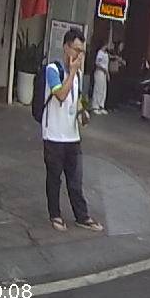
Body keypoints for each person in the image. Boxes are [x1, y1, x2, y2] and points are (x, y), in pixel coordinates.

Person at [42, 28, 104, 233]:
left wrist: (82, 113)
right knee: (54, 178)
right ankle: (55, 214)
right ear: (66, 47)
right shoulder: (53, 69)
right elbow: (60, 94)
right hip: (53, 135)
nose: (79, 55)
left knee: (75, 179)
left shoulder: (77, 75)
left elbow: (74, 100)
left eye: (82, 51)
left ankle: (82, 216)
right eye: (76, 49)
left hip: (72, 136)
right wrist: (71, 72)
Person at [90, 40, 111, 116]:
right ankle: (95, 106)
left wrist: (107, 73)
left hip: (105, 73)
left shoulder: (106, 53)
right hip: (100, 72)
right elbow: (97, 63)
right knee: (98, 89)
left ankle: (101, 106)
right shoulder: (100, 53)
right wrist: (104, 70)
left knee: (103, 90)